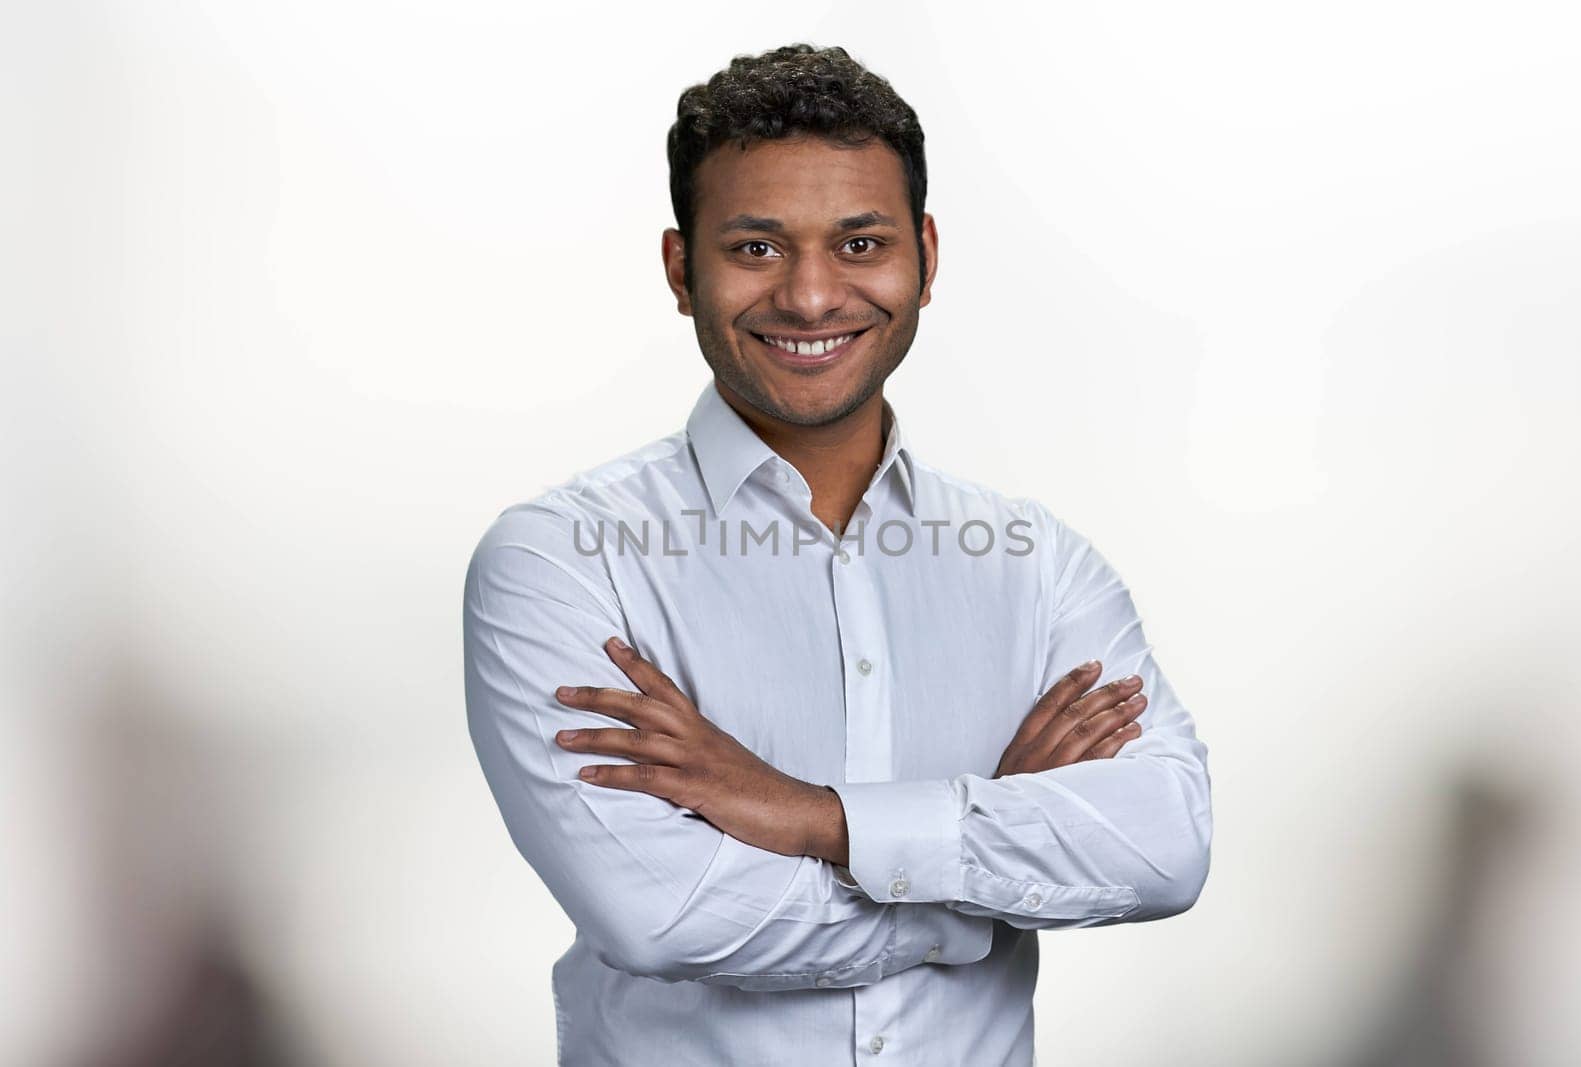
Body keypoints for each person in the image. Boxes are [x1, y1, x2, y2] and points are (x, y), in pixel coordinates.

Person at [463, 43, 1212, 1066]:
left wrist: (810, 817)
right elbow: (665, 914)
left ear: (926, 257)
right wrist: (976, 880)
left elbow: (1161, 845)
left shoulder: (1036, 566)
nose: (812, 298)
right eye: (758, 248)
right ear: (682, 269)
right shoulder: (565, 561)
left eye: (859, 244)